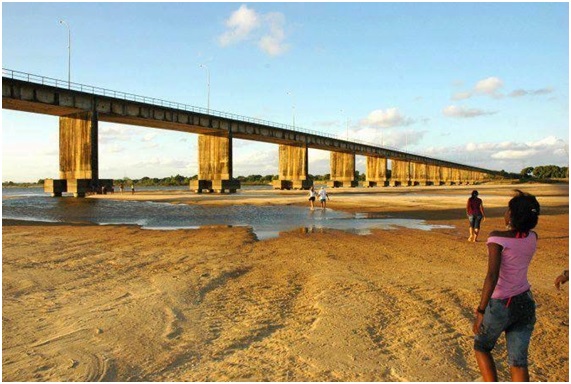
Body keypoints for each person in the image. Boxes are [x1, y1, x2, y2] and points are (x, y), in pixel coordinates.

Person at [473, 190, 540, 382]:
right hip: (525, 302)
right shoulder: (533, 237)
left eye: (508, 210)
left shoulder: (497, 238)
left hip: (501, 304)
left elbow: (492, 276)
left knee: (482, 347)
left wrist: (481, 311)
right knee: (518, 362)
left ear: (511, 215)